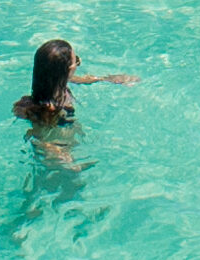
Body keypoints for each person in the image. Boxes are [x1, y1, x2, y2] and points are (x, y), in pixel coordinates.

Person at [12, 36, 132, 168]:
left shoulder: (56, 82)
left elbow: (83, 80)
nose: (78, 64)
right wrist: (63, 158)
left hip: (67, 145)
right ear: (67, 70)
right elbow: (40, 138)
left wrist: (109, 79)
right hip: (56, 157)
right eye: (77, 62)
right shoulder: (49, 108)